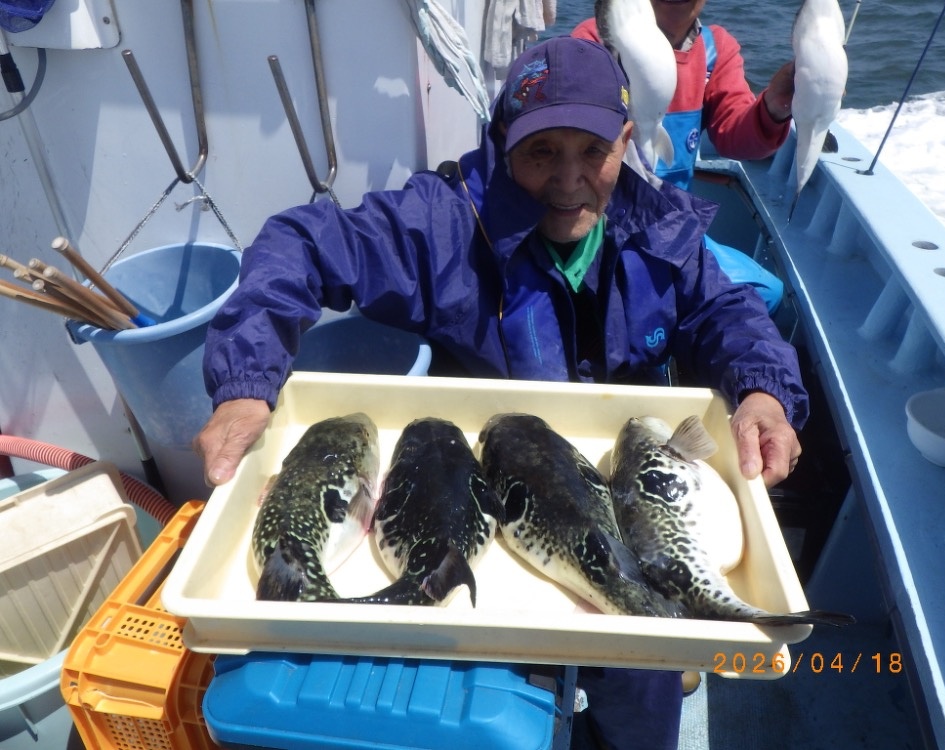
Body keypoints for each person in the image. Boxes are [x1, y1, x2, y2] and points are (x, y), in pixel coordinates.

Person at [194, 36, 807, 750]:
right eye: (542, 152)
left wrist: (763, 392)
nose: (569, 179)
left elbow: (728, 314)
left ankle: (652, 677)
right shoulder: (442, 224)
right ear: (502, 141)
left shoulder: (660, 227)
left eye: (593, 151)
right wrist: (246, 384)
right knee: (482, 699)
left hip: (618, 500)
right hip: (480, 491)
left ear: (626, 140)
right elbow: (300, 243)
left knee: (644, 685)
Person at [574, 0, 796, 313]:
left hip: (678, 227)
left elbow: (735, 136)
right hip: (602, 228)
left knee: (766, 293)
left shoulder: (715, 49)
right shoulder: (596, 40)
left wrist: (774, 107)